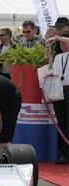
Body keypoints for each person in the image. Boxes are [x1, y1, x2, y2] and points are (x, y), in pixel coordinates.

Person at [47, 32, 69, 164]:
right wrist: (50, 58)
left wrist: (56, 38)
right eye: (60, 44)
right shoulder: (59, 56)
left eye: (63, 42)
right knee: (61, 123)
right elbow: (51, 71)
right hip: (59, 91)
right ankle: (63, 153)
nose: (62, 45)